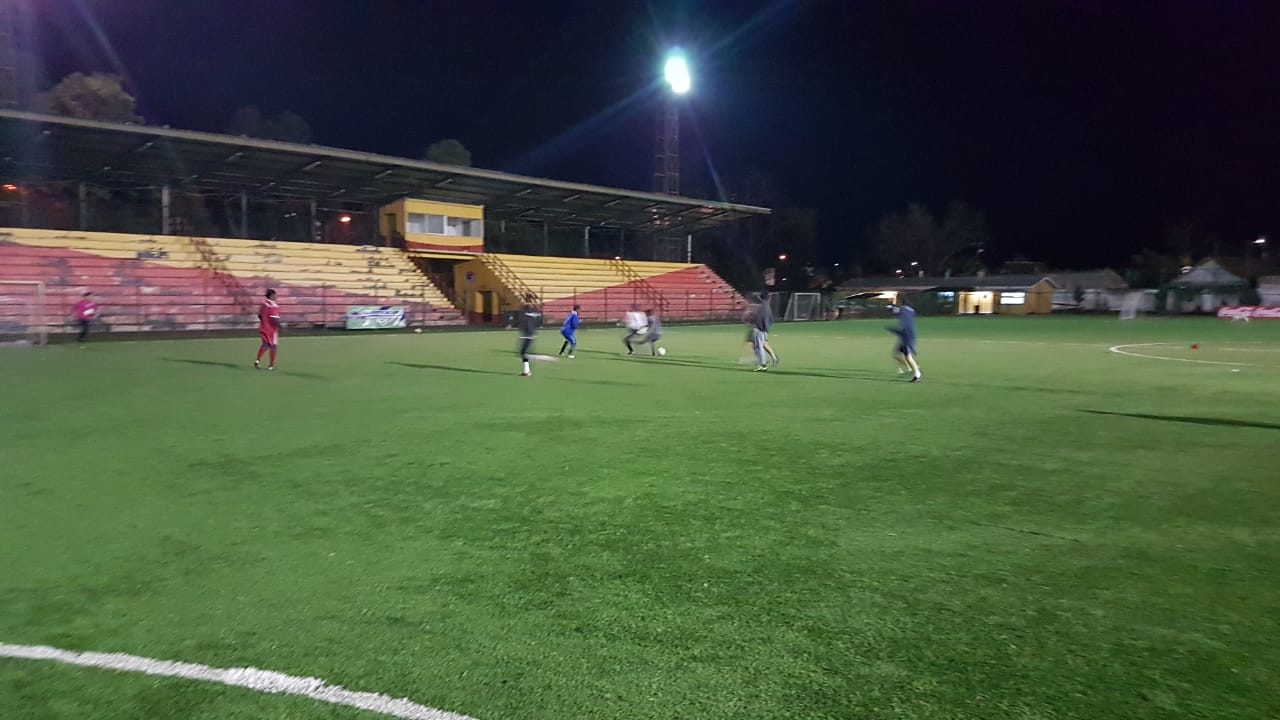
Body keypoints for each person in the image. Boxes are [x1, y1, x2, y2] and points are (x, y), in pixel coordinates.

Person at [887, 302, 922, 382]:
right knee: (896, 355)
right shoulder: (908, 312)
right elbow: (897, 311)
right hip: (905, 338)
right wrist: (892, 307)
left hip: (907, 338)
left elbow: (902, 331)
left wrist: (891, 330)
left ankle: (917, 374)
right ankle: (915, 368)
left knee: (908, 357)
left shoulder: (904, 315)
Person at [748, 291, 778, 371]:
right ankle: (773, 358)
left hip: (760, 329)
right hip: (765, 330)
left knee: (758, 347)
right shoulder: (767, 306)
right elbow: (771, 319)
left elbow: (758, 318)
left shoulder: (762, 307)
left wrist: (755, 324)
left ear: (761, 297)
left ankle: (763, 364)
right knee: (763, 345)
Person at [254, 289, 281, 370]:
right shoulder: (273, 305)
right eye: (275, 295)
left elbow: (259, 315)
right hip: (272, 329)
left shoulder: (263, 304)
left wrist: (264, 321)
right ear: (271, 295)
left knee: (265, 344)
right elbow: (274, 318)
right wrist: (279, 325)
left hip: (263, 327)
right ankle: (271, 365)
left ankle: (258, 360)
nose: (276, 296)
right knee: (274, 346)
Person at [518, 295, 542, 376]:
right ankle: (526, 371)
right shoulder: (535, 310)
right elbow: (539, 321)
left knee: (523, 353)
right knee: (524, 352)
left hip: (527, 334)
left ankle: (527, 371)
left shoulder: (525, 309)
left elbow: (523, 321)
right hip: (531, 334)